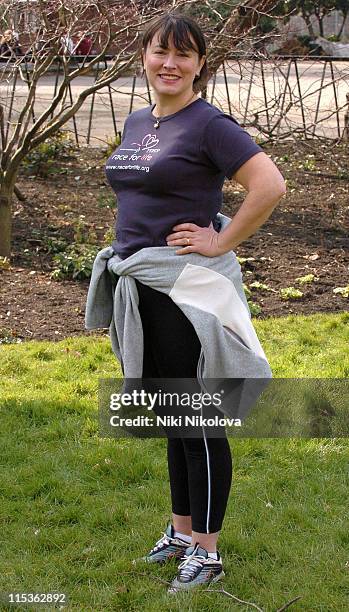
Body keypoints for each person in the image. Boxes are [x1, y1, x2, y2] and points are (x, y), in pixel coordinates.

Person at [102, 12, 286, 593]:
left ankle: (207, 552)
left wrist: (219, 239)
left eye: (184, 54)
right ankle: (182, 531)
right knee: (170, 411)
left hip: (188, 285)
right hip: (145, 283)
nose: (170, 63)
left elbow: (270, 185)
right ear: (145, 57)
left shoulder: (210, 124)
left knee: (199, 416)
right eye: (161, 51)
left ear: (200, 65)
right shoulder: (137, 121)